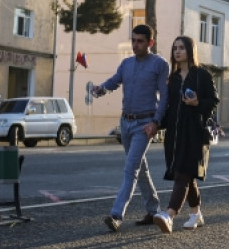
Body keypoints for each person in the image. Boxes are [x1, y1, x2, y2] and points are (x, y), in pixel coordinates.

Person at [91, 24, 169, 232]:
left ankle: (116, 215)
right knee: (139, 167)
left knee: (130, 169)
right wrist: (101, 89)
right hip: (125, 123)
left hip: (145, 125)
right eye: (133, 40)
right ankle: (153, 210)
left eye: (140, 41)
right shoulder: (126, 63)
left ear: (150, 43)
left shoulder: (160, 64)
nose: (135, 44)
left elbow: (165, 96)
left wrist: (156, 122)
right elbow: (115, 81)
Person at [153, 36, 219, 234]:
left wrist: (198, 103)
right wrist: (155, 124)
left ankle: (169, 214)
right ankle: (196, 214)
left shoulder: (201, 75)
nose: (177, 51)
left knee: (182, 172)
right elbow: (168, 107)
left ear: (190, 50)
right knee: (186, 176)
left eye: (181, 48)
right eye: (175, 48)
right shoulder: (172, 78)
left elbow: (214, 101)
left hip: (194, 133)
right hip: (174, 135)